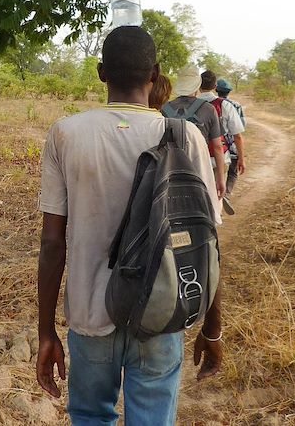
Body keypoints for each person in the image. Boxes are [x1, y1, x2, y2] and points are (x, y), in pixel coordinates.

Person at [37, 26, 223, 426]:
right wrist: (211, 329)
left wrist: (46, 331)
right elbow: (206, 242)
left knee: (89, 416)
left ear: (101, 72)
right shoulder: (184, 135)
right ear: (154, 74)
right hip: (161, 313)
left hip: (89, 316)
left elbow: (52, 244)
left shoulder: (66, 134)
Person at [161, 64, 226, 200]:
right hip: (200, 168)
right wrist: (221, 177)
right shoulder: (208, 109)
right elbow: (218, 147)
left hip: (171, 170)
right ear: (197, 85)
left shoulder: (164, 109)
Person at [214, 78, 247, 195]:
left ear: (216, 89)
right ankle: (227, 193)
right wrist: (242, 157)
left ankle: (219, 193)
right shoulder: (236, 105)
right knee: (233, 173)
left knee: (217, 173)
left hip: (219, 147)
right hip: (233, 147)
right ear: (229, 91)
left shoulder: (212, 103)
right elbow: (240, 129)